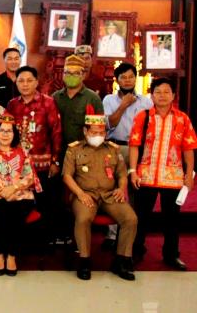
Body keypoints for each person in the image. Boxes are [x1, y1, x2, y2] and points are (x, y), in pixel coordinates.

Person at [129, 77, 197, 270]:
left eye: (167, 92)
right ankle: (136, 251)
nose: (162, 96)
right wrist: (133, 171)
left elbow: (189, 148)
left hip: (172, 177)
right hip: (146, 175)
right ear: (152, 95)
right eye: (158, 92)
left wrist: (189, 175)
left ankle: (171, 255)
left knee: (172, 219)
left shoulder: (182, 119)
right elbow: (134, 145)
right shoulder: (143, 117)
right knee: (141, 216)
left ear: (173, 95)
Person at [62, 112, 137, 281]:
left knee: (130, 218)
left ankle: (122, 260)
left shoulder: (113, 149)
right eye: (94, 132)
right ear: (85, 131)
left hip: (109, 194)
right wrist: (80, 194)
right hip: (85, 194)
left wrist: (121, 189)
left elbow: (122, 174)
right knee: (83, 218)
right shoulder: (74, 149)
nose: (98, 136)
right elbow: (67, 176)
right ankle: (84, 261)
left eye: (101, 132)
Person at [0, 115, 41, 276]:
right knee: (0, 214)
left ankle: (11, 255)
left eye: (9, 131)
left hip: (20, 194)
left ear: (14, 134)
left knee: (16, 214)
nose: (5, 134)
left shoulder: (22, 152)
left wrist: (13, 189)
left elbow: (30, 177)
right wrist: (2, 192)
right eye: (1, 130)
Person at [7, 66, 64, 243]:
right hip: (18, 167)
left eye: (29, 80)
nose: (25, 84)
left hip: (43, 165)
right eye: (21, 81)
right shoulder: (12, 104)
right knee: (21, 204)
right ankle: (23, 241)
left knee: (43, 203)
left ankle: (42, 242)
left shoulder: (48, 102)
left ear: (36, 82)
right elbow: (5, 133)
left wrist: (55, 161)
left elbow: (56, 132)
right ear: (16, 83)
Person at [102, 62, 152, 247]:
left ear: (135, 79)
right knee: (113, 189)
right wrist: (123, 106)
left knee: (134, 191)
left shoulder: (146, 102)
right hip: (115, 147)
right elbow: (108, 124)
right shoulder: (109, 100)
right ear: (117, 80)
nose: (128, 80)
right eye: (123, 77)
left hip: (138, 149)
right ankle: (112, 235)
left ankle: (131, 235)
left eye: (131, 76)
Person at [53, 55, 104, 150]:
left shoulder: (92, 98)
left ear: (83, 75)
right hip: (58, 150)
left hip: (84, 151)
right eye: (67, 73)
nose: (71, 76)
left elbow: (99, 130)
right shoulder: (55, 97)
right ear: (63, 75)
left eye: (76, 73)